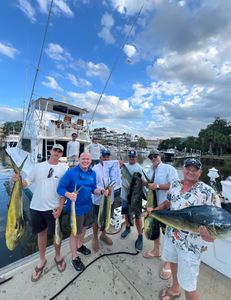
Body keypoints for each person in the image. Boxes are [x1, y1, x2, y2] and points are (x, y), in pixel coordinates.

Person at [148, 158, 220, 300]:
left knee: (189, 284)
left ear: (200, 173)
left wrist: (211, 236)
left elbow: (216, 221)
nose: (191, 172)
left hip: (191, 245)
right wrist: (155, 210)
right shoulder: (174, 184)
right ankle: (175, 289)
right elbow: (169, 201)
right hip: (171, 235)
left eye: (195, 169)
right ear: (183, 168)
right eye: (188, 168)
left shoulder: (208, 192)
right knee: (173, 261)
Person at [13, 144, 68, 281]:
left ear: (62, 154)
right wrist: (19, 180)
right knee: (41, 234)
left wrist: (60, 208)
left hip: (54, 209)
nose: (57, 152)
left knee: (57, 235)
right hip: (36, 207)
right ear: (50, 151)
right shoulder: (38, 166)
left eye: (60, 151)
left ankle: (58, 256)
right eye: (55, 149)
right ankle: (42, 260)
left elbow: (64, 191)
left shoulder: (64, 169)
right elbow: (27, 182)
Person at [57, 152, 109, 272]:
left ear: (91, 161)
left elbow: (93, 189)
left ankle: (80, 246)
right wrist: (69, 195)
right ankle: (74, 257)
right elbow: (60, 188)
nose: (85, 161)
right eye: (83, 158)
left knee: (84, 228)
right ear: (79, 159)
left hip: (88, 207)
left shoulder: (92, 173)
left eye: (88, 159)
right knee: (74, 233)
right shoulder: (71, 173)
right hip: (76, 209)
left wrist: (101, 191)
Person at [142, 149, 179, 280]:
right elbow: (147, 186)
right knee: (154, 229)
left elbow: (175, 186)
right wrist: (144, 183)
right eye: (151, 157)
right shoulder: (149, 170)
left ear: (160, 156)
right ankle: (156, 250)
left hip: (166, 207)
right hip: (153, 206)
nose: (153, 158)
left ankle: (168, 262)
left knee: (168, 235)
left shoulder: (169, 169)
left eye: (155, 156)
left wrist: (156, 186)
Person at [120, 150, 144, 251]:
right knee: (126, 213)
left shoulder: (140, 168)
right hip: (125, 194)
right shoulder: (123, 165)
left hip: (135, 197)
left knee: (138, 216)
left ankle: (140, 235)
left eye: (133, 157)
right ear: (128, 157)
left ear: (136, 158)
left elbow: (143, 183)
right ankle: (128, 228)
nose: (131, 158)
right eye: (130, 157)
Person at [92, 149, 114, 252]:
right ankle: (95, 238)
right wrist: (102, 191)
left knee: (107, 218)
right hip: (98, 199)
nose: (106, 158)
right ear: (100, 157)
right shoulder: (95, 169)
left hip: (109, 199)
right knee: (96, 220)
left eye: (107, 156)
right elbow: (92, 185)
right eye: (104, 156)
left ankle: (103, 235)